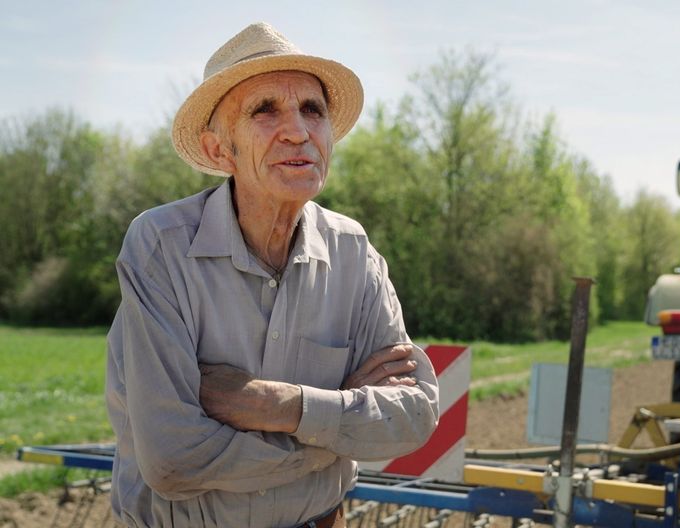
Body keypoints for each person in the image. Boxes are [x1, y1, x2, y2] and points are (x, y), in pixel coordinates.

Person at [105, 22, 439, 528]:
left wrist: (277, 404)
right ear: (220, 151)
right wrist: (332, 434)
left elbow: (413, 414)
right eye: (265, 110)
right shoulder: (160, 247)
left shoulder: (354, 251)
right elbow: (172, 461)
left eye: (313, 109)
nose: (299, 130)